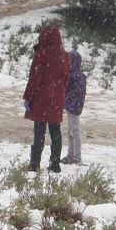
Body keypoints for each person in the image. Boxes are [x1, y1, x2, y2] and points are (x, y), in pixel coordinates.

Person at [23, 24, 70, 173]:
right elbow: (66, 79)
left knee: (39, 131)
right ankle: (55, 164)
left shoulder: (41, 54)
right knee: (55, 131)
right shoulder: (65, 56)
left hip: (42, 97)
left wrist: (28, 97)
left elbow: (35, 78)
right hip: (57, 98)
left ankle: (34, 163)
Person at [60, 48, 88, 166]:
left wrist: (67, 100)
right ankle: (71, 154)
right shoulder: (74, 75)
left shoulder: (75, 76)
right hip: (71, 106)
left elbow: (75, 92)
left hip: (74, 107)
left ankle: (77, 156)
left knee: (75, 131)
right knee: (70, 131)